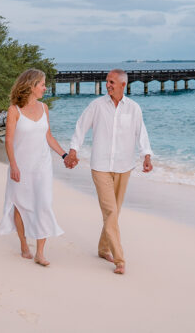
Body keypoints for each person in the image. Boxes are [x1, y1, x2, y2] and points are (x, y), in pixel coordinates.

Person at [65, 69, 153, 275]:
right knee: (111, 212)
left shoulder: (133, 108)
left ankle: (103, 248)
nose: (108, 85)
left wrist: (146, 156)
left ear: (123, 85)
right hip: (101, 166)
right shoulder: (97, 105)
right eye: (107, 82)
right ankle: (120, 259)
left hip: (124, 167)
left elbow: (142, 133)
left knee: (114, 212)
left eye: (112, 82)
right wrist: (73, 150)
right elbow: (81, 126)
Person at [0, 68, 72, 266]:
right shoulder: (15, 110)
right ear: (31, 86)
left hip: (42, 166)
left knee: (44, 204)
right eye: (42, 84)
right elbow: (9, 140)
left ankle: (40, 253)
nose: (45, 87)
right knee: (20, 206)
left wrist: (64, 155)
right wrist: (13, 164)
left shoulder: (44, 108)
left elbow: (48, 136)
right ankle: (24, 245)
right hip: (21, 166)